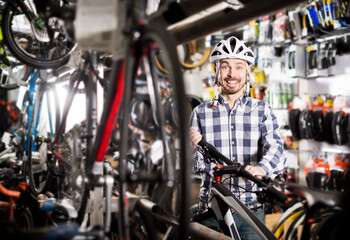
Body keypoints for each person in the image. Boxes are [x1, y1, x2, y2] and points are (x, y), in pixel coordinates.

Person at [189, 36, 286, 240]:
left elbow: (276, 148)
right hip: (212, 207)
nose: (232, 74)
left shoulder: (262, 110)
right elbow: (190, 166)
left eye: (239, 67)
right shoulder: (200, 113)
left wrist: (261, 169)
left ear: (247, 70)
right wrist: (190, 149)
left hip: (250, 208)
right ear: (216, 70)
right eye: (225, 66)